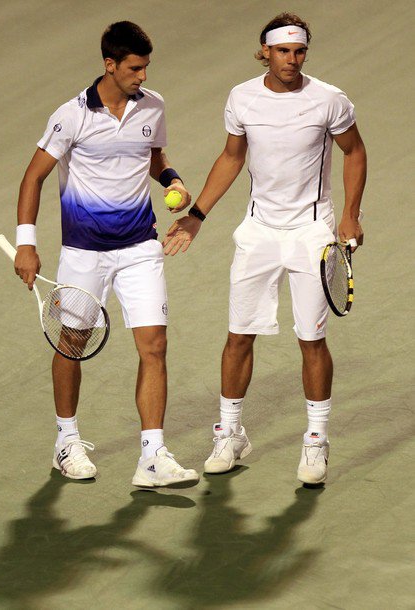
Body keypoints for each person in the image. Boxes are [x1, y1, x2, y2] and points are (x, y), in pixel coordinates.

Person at [163, 13, 367, 484]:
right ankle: (230, 433)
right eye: (283, 51)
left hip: (312, 232)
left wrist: (351, 214)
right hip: (258, 231)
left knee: (311, 339)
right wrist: (197, 215)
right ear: (265, 52)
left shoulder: (329, 100)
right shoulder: (242, 97)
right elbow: (232, 156)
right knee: (239, 335)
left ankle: (316, 440)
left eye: (299, 51)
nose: (292, 60)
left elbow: (355, 151)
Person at [14, 21, 199, 487]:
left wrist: (173, 180)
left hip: (140, 247)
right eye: (134, 68)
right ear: (110, 64)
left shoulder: (152, 105)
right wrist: (26, 243)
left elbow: (154, 157)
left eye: (146, 67)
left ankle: (152, 456)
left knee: (154, 346)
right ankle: (66, 441)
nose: (143, 76)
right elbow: (32, 177)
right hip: (85, 253)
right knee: (71, 344)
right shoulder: (70, 117)